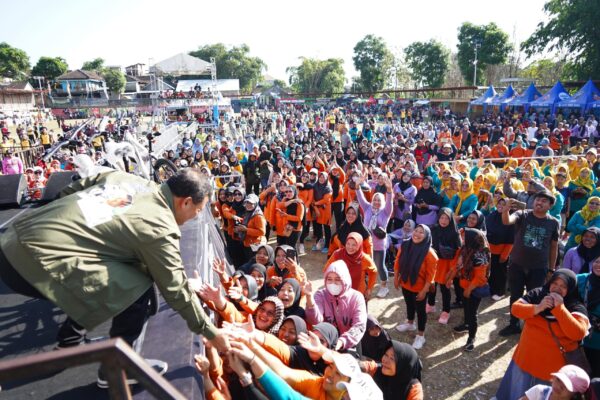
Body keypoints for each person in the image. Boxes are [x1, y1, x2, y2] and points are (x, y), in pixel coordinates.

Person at [0, 169, 230, 387]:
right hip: (30, 264)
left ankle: (70, 339)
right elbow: (175, 289)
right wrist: (211, 331)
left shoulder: (124, 178)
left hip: (14, 237)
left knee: (125, 264)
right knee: (136, 284)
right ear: (186, 201)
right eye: (198, 211)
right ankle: (118, 369)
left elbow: (67, 192)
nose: (195, 216)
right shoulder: (160, 226)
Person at [495, 270, 590, 400]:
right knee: (516, 394)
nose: (557, 288)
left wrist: (560, 308)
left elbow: (578, 333)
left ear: (571, 289)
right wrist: (538, 307)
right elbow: (515, 309)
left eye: (563, 286)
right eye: (555, 283)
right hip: (525, 359)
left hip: (550, 371)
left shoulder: (575, 306)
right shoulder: (538, 294)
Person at [499, 190, 560, 337]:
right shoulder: (523, 214)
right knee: (515, 296)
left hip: (539, 268)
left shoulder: (553, 222)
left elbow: (554, 247)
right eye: (537, 199)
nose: (539, 202)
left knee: (535, 298)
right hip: (517, 265)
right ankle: (514, 324)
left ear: (550, 205)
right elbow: (507, 221)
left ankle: (530, 327)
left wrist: (551, 269)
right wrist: (506, 209)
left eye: (544, 201)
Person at [305, 260, 368, 351]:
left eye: (337, 279)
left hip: (350, 344)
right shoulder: (321, 295)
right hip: (326, 344)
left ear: (345, 279)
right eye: (329, 279)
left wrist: (342, 342)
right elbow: (315, 320)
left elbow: (359, 326)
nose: (333, 283)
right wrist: (309, 297)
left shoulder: (356, 297)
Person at [394, 224, 438, 349]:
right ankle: (410, 323)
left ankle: (420, 335)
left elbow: (431, 276)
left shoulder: (430, 254)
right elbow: (398, 261)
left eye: (421, 232)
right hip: (406, 283)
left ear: (427, 236)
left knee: (420, 311)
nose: (417, 234)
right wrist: (397, 277)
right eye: (416, 231)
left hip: (420, 287)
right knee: (409, 304)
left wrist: (424, 290)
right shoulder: (406, 244)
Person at [450, 228, 491, 351]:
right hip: (464, 284)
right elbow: (457, 265)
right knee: (466, 308)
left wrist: (469, 289)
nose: (462, 239)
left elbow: (480, 278)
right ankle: (466, 324)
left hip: (473, 288)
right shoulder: (465, 249)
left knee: (473, 313)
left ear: (472, 239)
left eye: (464, 237)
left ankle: (471, 338)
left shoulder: (480, 254)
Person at [428, 208, 462, 324]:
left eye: (446, 218)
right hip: (434, 262)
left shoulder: (454, 232)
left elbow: (458, 252)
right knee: (431, 285)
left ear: (451, 219)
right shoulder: (434, 229)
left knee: (445, 288)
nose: (443, 220)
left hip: (447, 264)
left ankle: (446, 311)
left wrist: (452, 269)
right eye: (442, 217)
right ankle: (431, 304)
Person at [576, 256, 600, 378]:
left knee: (594, 378)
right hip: (578, 339)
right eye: (597, 261)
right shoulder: (580, 279)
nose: (598, 265)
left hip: (597, 344)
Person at [521, 364, 590, 400]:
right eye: (558, 379)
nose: (559, 386)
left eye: (566, 385)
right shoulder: (539, 391)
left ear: (575, 393)